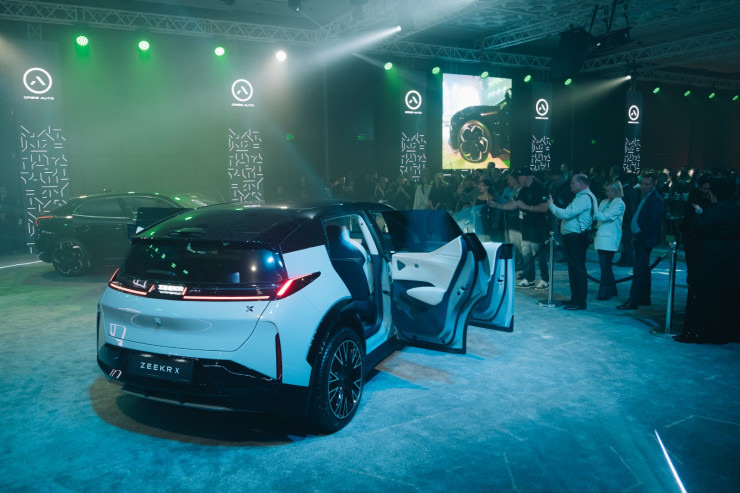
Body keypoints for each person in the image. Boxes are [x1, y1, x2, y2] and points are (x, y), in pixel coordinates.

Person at [674, 177, 740, 344]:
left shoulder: (713, 211)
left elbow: (697, 230)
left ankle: (695, 332)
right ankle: (721, 333)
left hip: (709, 261)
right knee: (724, 299)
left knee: (702, 297)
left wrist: (699, 214)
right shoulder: (736, 209)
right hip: (731, 261)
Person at [547, 173, 597, 310]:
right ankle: (576, 299)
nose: (570, 186)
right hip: (577, 237)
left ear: (580, 184)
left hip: (576, 238)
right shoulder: (585, 197)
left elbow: (566, 213)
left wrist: (551, 206)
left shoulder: (583, 198)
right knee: (575, 270)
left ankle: (579, 302)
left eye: (573, 183)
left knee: (577, 270)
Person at [493, 169, 549, 289]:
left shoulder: (540, 189)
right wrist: (497, 205)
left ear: (528, 176)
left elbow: (544, 208)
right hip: (525, 225)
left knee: (538, 253)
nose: (518, 180)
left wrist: (527, 207)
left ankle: (545, 279)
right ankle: (529, 278)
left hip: (537, 226)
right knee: (526, 252)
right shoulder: (523, 190)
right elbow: (515, 205)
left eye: (520, 177)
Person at [617, 172, 664, 310]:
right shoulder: (644, 196)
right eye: (642, 183)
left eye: (647, 184)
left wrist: (639, 237)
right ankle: (644, 298)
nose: (643, 186)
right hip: (640, 237)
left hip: (644, 239)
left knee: (639, 269)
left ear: (654, 185)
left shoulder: (656, 199)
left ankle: (634, 300)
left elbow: (653, 223)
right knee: (643, 269)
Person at [593, 180, 626, 300]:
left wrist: (593, 210)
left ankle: (604, 292)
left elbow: (606, 216)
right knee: (606, 266)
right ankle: (611, 290)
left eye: (608, 190)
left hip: (610, 238)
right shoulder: (604, 201)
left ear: (615, 191)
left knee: (605, 266)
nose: (606, 193)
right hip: (601, 237)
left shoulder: (619, 204)